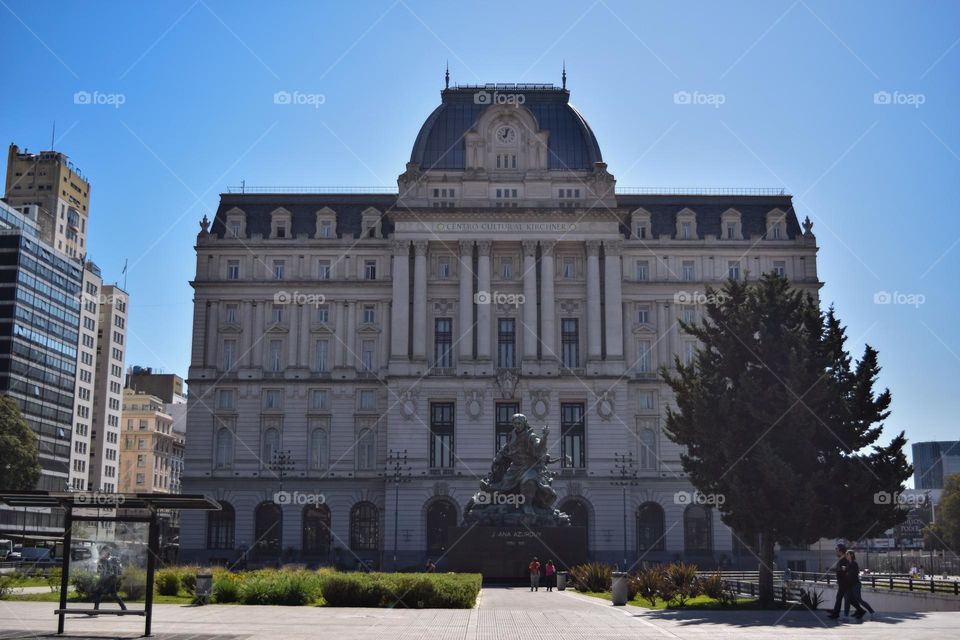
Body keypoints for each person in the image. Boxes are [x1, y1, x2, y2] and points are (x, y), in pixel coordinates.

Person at [827, 543, 864, 619]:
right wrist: (831, 569)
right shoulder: (841, 559)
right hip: (843, 582)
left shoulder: (845, 560)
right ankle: (860, 611)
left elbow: (846, 569)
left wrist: (840, 570)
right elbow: (839, 569)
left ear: (841, 551)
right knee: (849, 599)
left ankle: (836, 613)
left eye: (837, 550)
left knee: (839, 597)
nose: (836, 552)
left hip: (845, 583)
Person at [91, 547, 126, 613]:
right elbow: (99, 570)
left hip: (110, 578)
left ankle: (96, 609)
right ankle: (123, 608)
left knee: (99, 592)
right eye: (103, 552)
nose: (103, 553)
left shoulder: (113, 559)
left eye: (105, 551)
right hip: (106, 578)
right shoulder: (102, 560)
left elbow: (117, 570)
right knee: (113, 594)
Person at [844, 551, 875, 618]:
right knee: (847, 599)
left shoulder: (854, 564)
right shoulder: (847, 563)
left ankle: (871, 611)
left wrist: (847, 571)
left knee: (859, 600)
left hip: (855, 585)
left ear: (851, 555)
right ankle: (845, 615)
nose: (846, 556)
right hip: (848, 585)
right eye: (846, 555)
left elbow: (855, 572)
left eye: (847, 554)